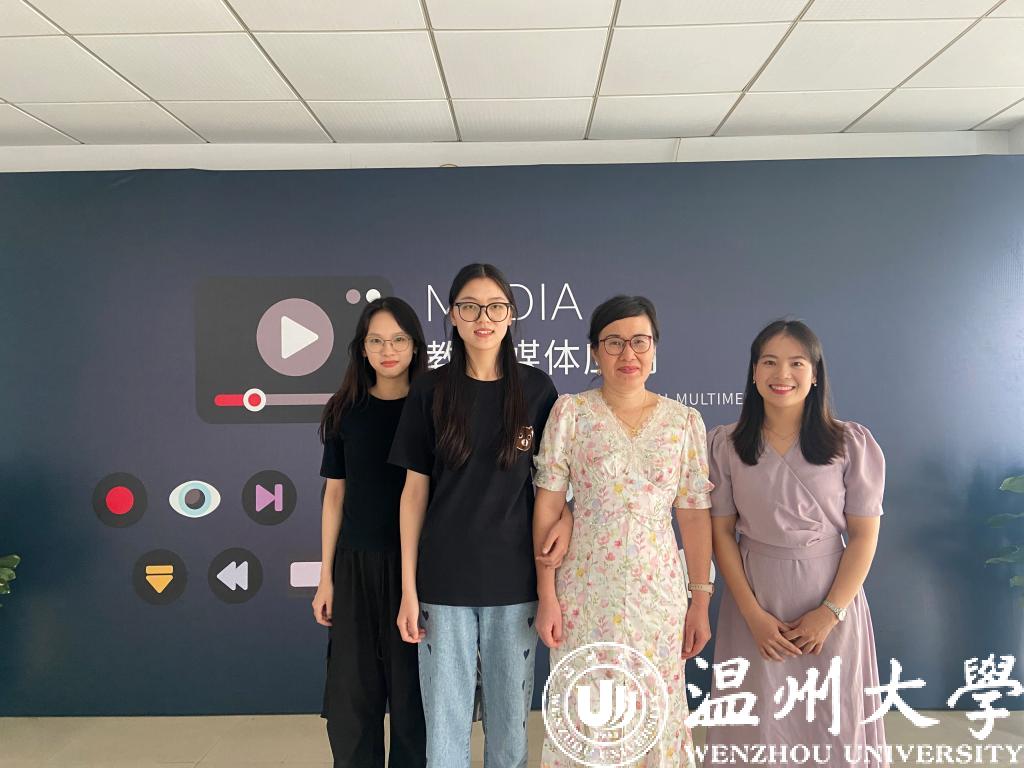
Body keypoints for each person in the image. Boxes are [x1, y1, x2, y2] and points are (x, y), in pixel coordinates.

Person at [389, 263, 569, 768]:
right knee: (444, 732)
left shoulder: (537, 390)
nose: (482, 318)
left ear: (511, 315)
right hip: (443, 584)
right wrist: (408, 590)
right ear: (453, 315)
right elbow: (413, 495)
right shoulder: (429, 390)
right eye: (470, 307)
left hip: (515, 582)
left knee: (510, 730)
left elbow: (558, 485)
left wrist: (569, 520)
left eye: (494, 307)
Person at [533, 295, 714, 768]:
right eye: (613, 342)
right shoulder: (571, 413)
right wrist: (546, 593)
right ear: (595, 351)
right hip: (585, 591)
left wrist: (700, 600)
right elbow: (548, 506)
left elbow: (694, 516)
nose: (627, 354)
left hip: (660, 595)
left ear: (655, 348)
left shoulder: (684, 422)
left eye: (639, 342)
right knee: (588, 708)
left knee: (656, 708)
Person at [705, 319, 887, 766]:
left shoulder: (850, 443)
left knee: (831, 719)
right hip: (754, 600)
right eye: (769, 362)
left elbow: (864, 536)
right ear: (753, 372)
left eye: (796, 363)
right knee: (755, 723)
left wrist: (829, 614)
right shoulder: (726, 445)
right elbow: (721, 533)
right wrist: (753, 615)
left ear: (815, 373)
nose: (781, 374)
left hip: (830, 599)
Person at [313, 296, 428, 768]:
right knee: (352, 699)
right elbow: (334, 496)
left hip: (418, 569)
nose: (388, 350)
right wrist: (326, 577)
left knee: (413, 699)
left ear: (415, 346)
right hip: (355, 565)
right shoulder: (345, 410)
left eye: (398, 339)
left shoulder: (433, 408)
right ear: (362, 348)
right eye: (376, 340)